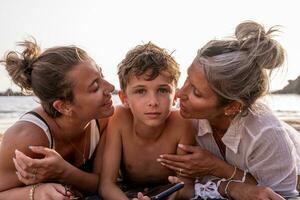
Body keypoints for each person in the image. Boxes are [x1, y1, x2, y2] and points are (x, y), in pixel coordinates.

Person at [157, 21, 300, 200]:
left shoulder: (266, 134)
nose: (179, 93)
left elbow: (280, 197)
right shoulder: (188, 117)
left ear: (232, 107)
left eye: (196, 92)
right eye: (187, 79)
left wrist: (218, 168)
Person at [0, 39, 115, 199]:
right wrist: (36, 193)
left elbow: (103, 184)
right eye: (95, 86)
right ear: (64, 107)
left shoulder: (103, 121)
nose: (111, 87)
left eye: (101, 76)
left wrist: (64, 171)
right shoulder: (27, 137)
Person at [99, 42, 196, 200]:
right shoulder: (120, 119)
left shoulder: (182, 124)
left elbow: (186, 186)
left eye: (163, 90)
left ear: (175, 97)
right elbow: (106, 185)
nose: (153, 101)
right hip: (129, 192)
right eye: (141, 91)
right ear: (124, 98)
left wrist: (174, 195)